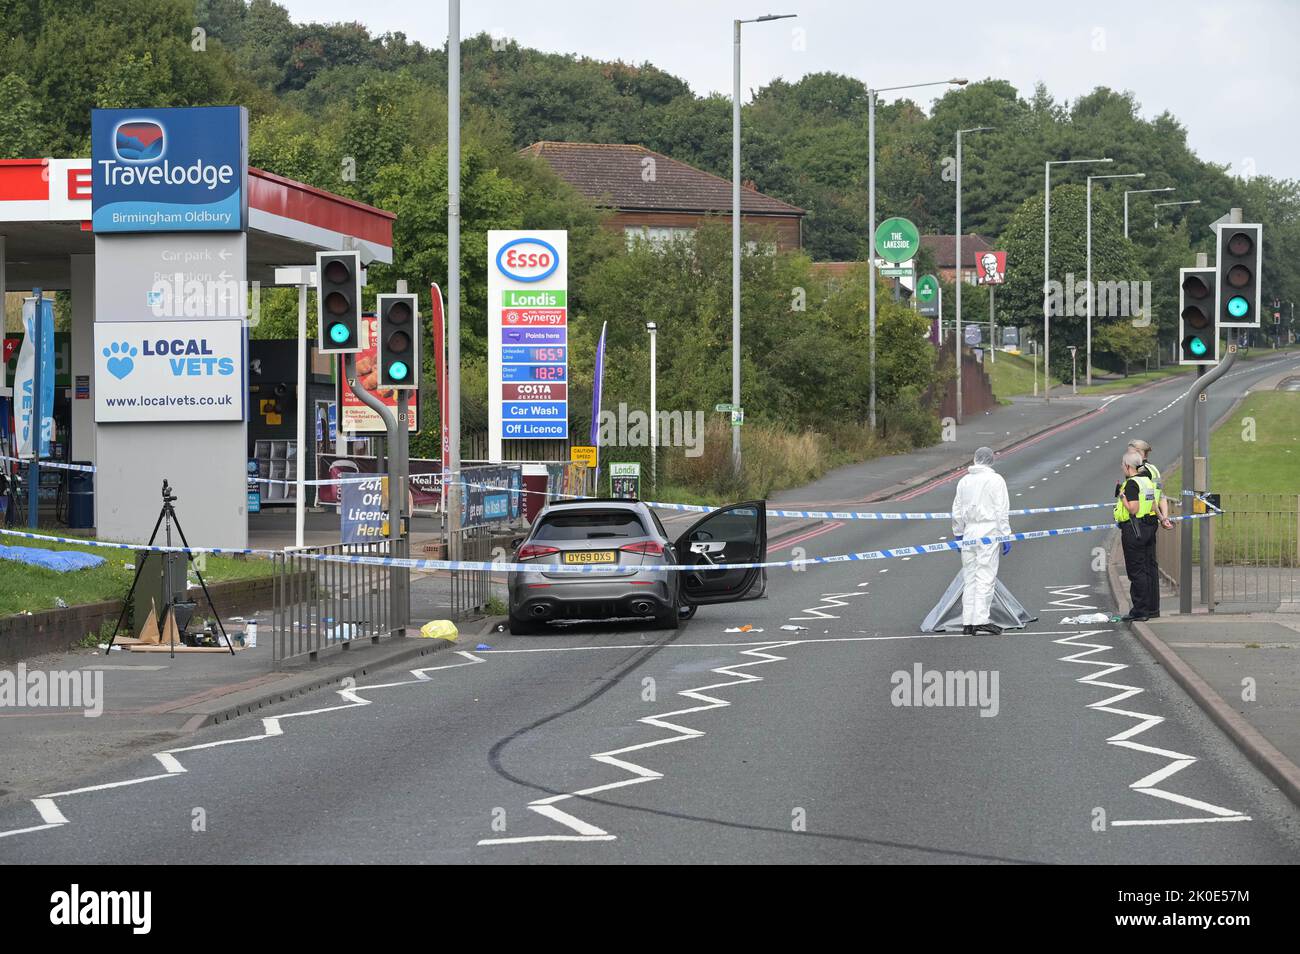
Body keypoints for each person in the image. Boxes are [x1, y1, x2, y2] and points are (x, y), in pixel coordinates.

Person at [951, 446, 1012, 635]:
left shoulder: (964, 481)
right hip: (989, 530)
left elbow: (957, 510)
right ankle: (981, 620)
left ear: (976, 459)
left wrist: (958, 534)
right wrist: (1005, 535)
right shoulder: (996, 480)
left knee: (969, 577)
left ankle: (968, 622)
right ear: (991, 459)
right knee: (985, 576)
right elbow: (1001, 510)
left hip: (969, 531)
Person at [1116, 449, 1160, 621]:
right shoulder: (1147, 481)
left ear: (1128, 466)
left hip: (1134, 529)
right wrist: (1163, 518)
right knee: (1147, 569)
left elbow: (1133, 509)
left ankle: (1139, 610)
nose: (1122, 468)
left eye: (1122, 465)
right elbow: (1153, 503)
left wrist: (1122, 497)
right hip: (1149, 527)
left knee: (1136, 571)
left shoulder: (1132, 484)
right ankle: (1150, 609)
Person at [1127, 439, 1174, 531]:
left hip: (1140, 521)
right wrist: (1165, 518)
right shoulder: (1153, 469)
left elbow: (1149, 497)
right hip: (1151, 520)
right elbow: (1160, 495)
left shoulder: (1139, 471)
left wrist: (1161, 518)